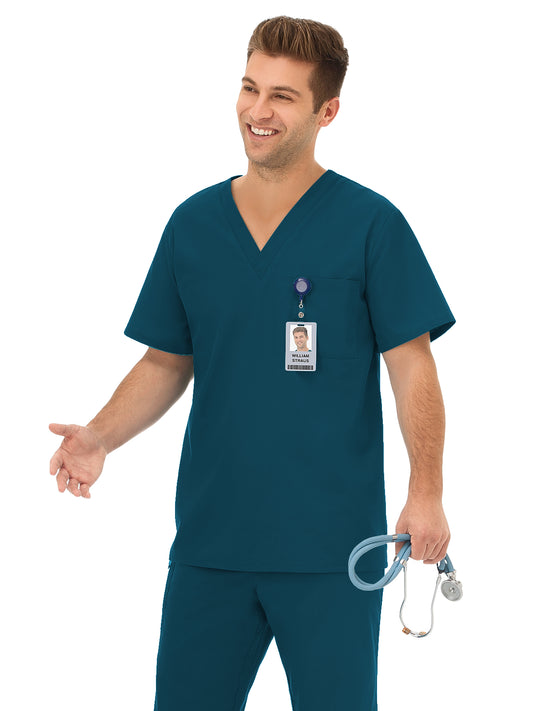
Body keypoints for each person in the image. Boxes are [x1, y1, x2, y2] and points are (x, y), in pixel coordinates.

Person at [48, 15, 456, 711]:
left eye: (282, 96)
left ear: (327, 111)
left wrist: (427, 491)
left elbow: (412, 368)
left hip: (331, 552)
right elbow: (166, 361)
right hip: (212, 547)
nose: (257, 111)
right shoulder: (193, 225)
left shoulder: (370, 225)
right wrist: (98, 437)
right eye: (249, 88)